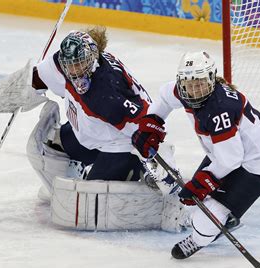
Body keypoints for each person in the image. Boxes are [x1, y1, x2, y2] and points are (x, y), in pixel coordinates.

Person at [24, 26, 188, 232]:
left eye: (80, 64)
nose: (74, 71)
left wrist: (158, 163)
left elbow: (147, 124)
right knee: (49, 145)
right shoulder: (62, 63)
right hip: (91, 133)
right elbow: (38, 77)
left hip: (120, 145)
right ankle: (78, 170)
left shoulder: (107, 93)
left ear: (93, 59)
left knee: (89, 203)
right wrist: (18, 89)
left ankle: (156, 186)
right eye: (71, 65)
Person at [131, 51, 260, 259]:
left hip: (255, 167)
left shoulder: (219, 109)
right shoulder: (185, 92)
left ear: (211, 79)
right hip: (224, 153)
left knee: (202, 223)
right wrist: (152, 123)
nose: (195, 89)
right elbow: (164, 97)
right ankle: (223, 214)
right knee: (190, 203)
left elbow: (232, 159)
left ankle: (203, 236)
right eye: (189, 84)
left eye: (200, 83)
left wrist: (204, 183)